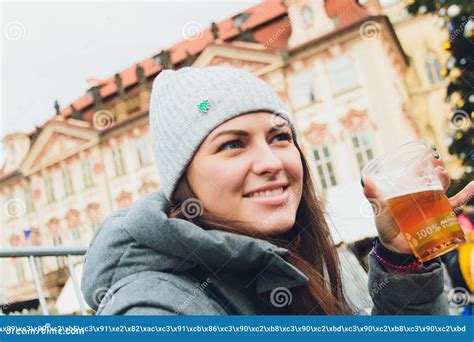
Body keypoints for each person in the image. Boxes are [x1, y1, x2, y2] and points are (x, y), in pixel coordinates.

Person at [81, 65, 474, 315]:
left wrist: (399, 260)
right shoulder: (157, 309)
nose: (271, 161)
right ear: (184, 181)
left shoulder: (321, 261)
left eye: (280, 137)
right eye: (232, 144)